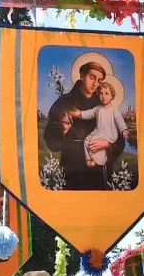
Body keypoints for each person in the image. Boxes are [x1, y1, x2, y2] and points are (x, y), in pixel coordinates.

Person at [43, 60, 127, 190]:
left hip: (99, 167)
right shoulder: (64, 102)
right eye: (92, 77)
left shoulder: (104, 105)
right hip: (72, 165)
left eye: (99, 81)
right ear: (82, 75)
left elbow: (120, 140)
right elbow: (51, 140)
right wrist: (64, 131)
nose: (95, 84)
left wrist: (107, 145)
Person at [71, 79, 129, 168]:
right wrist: (79, 113)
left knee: (98, 145)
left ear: (112, 96)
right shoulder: (98, 108)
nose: (103, 96)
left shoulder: (114, 110)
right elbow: (88, 114)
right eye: (101, 93)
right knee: (87, 141)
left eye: (106, 93)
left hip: (109, 134)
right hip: (98, 132)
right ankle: (88, 159)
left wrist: (123, 130)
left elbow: (119, 121)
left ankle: (98, 161)